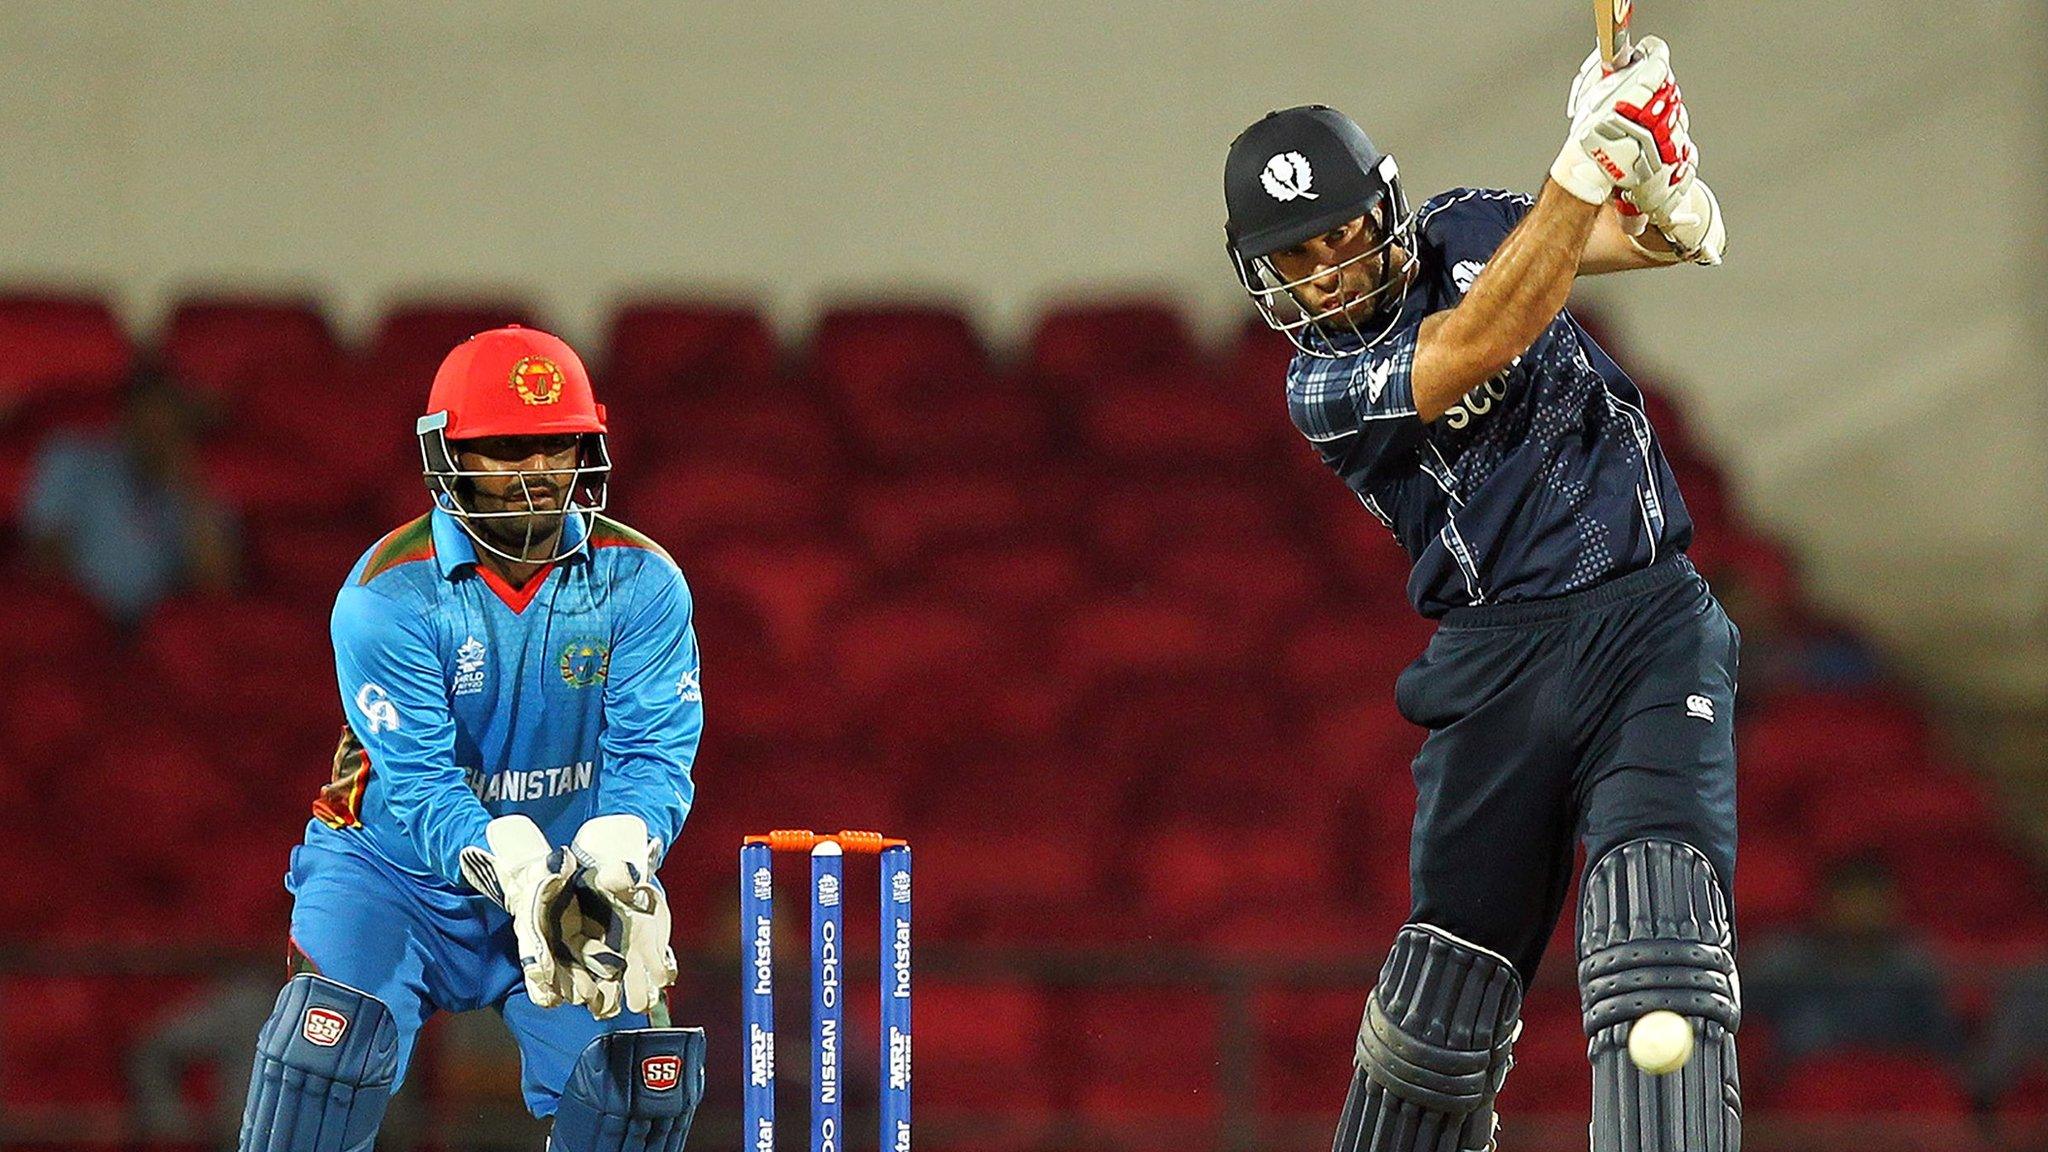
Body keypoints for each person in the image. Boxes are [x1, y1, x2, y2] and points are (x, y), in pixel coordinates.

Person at [1221, 38, 1739, 1152]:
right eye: (1298, 256)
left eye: (1346, 230)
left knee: (1658, 931)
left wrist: (1660, 181)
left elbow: (1638, 240)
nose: (1333, 267)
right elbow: (1477, 339)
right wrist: (1580, 163)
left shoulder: (1468, 225)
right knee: (1437, 1010)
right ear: (1263, 277)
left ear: (1387, 205)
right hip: (1495, 661)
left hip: (1648, 625)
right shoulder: (1320, 389)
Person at [237, 326, 706, 1152]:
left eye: (555, 447)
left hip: (568, 880)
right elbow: (419, 786)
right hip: (392, 872)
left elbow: (653, 754)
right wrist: (511, 869)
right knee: (325, 1060)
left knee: (634, 1093)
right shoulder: (387, 595)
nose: (537, 475)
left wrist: (619, 851)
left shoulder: (642, 581)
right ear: (447, 459)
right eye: (507, 450)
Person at [20, 363, 238, 628]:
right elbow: (46, 555)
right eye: (150, 411)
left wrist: (189, 488)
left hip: (163, 633)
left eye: (171, 416)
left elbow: (217, 584)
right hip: (79, 620)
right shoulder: (74, 457)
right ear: (127, 412)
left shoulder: (198, 486)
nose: (158, 427)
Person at [1747, 854, 1962, 1069]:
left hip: (1892, 1091)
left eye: (1869, 900)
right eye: (1851, 899)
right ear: (1826, 904)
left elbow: (1943, 1054)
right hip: (1799, 1090)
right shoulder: (1783, 964)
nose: (1860, 911)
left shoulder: (1914, 969)